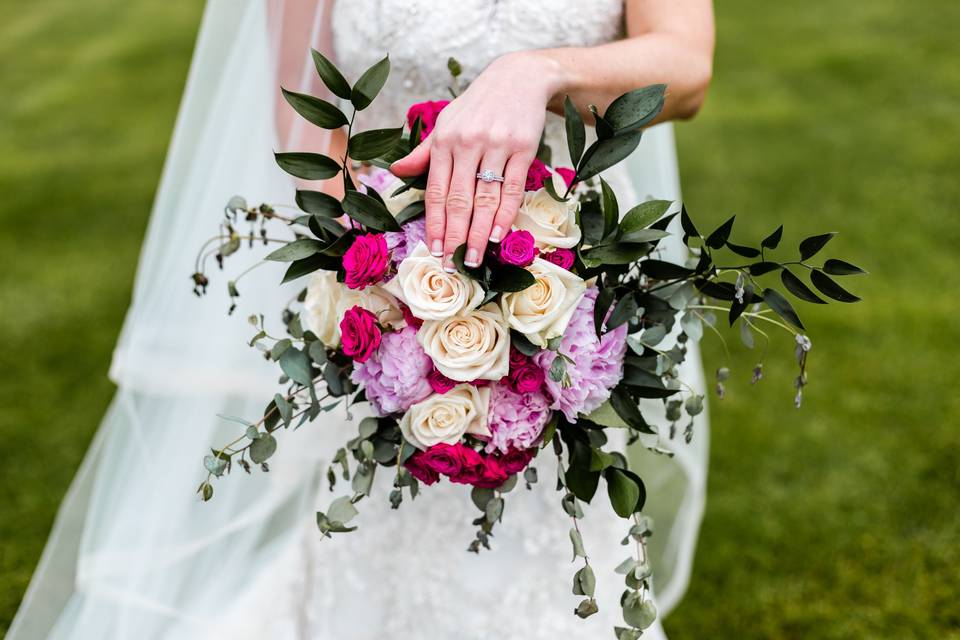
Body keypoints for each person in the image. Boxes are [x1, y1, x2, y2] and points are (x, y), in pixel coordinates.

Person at [9, 1, 714, 638]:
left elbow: (685, 66)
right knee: (378, 529)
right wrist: (390, 272)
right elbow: (304, 113)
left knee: (547, 546)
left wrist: (540, 75)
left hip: (563, 286)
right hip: (391, 293)